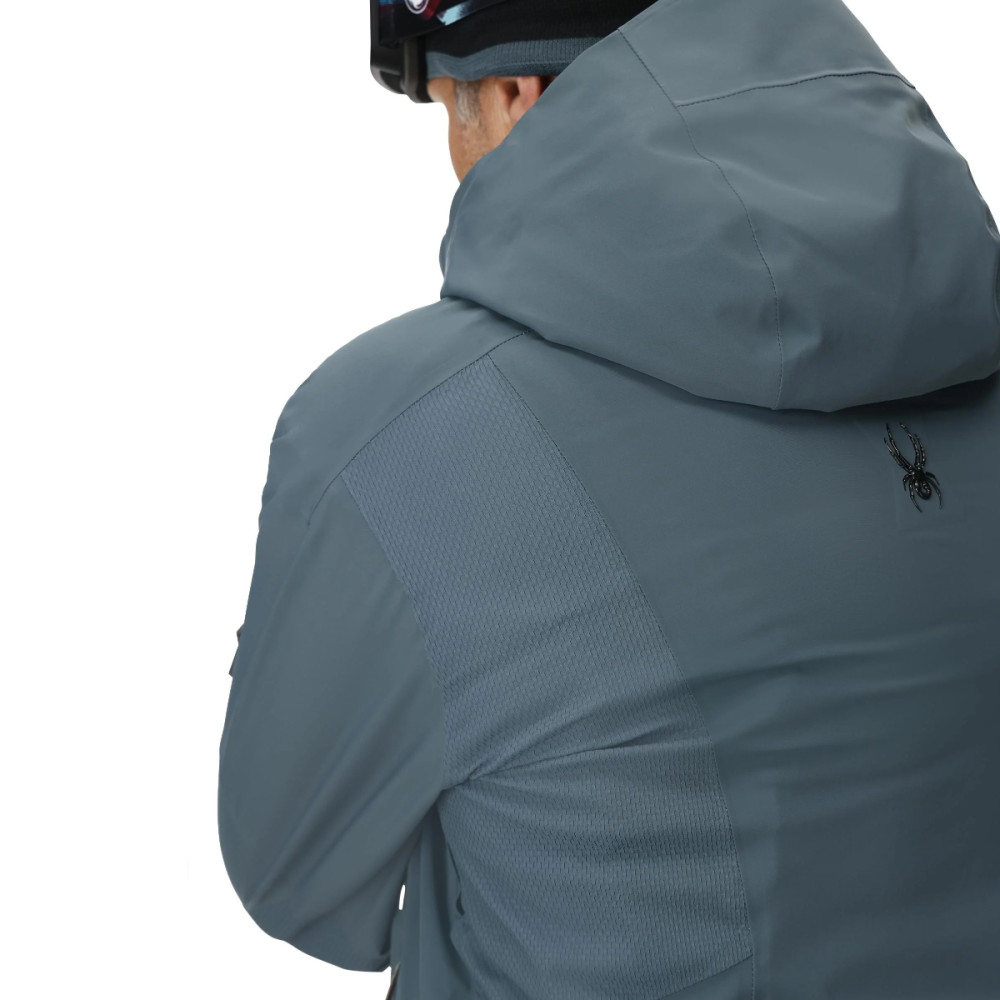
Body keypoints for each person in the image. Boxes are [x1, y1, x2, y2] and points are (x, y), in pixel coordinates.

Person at [217, 0, 1000, 997]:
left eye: (451, 110)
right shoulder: (969, 344)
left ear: (514, 91)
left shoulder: (393, 426)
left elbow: (297, 884)